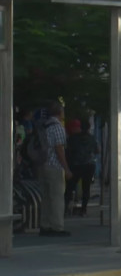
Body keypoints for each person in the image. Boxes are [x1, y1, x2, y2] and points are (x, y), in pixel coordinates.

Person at [38, 101, 73, 236]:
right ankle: (57, 226)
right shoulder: (58, 127)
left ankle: (45, 224)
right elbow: (59, 150)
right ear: (60, 112)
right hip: (54, 166)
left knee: (46, 197)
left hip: (42, 165)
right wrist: (67, 168)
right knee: (57, 197)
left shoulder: (45, 125)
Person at [64, 119, 99, 216]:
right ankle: (84, 209)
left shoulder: (72, 138)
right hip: (89, 165)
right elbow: (97, 150)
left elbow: (67, 151)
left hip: (76, 165)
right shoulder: (92, 138)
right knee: (86, 188)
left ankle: (66, 207)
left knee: (70, 187)